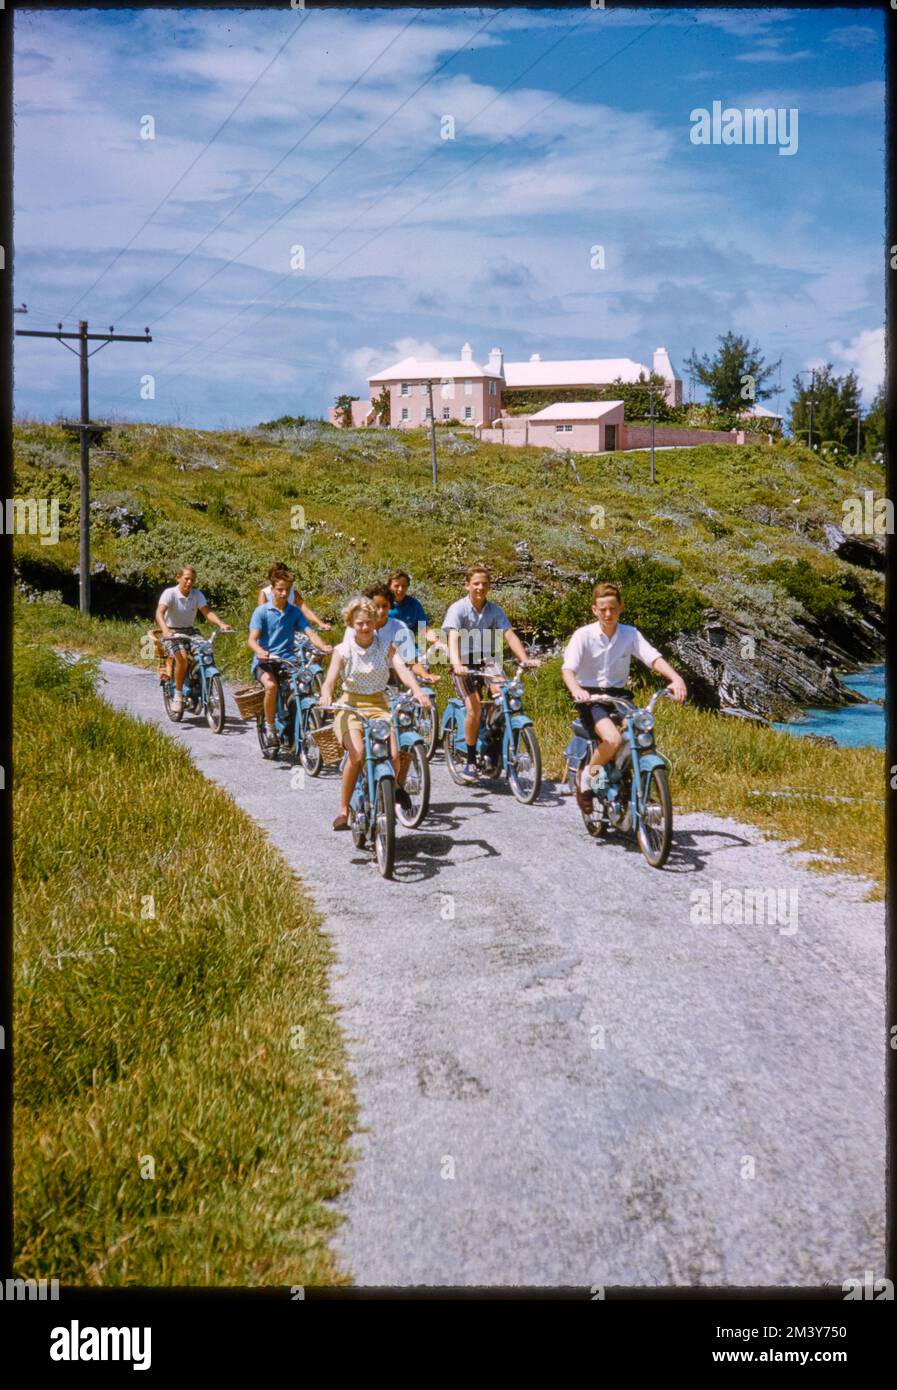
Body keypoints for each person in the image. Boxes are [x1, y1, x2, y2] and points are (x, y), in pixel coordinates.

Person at [561, 581, 687, 814]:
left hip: (619, 696)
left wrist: (676, 678)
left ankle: (633, 783)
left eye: (612, 608)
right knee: (612, 739)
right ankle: (588, 779)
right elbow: (568, 669)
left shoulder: (630, 634)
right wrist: (576, 690)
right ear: (594, 610)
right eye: (602, 609)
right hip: (590, 697)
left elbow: (653, 658)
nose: (608, 614)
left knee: (641, 732)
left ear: (621, 608)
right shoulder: (583, 635)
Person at [320, 595, 428, 831]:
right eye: (360, 623)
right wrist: (326, 695)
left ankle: (393, 789)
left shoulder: (385, 648)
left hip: (379, 706)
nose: (365, 627)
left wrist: (418, 690)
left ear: (376, 622)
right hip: (350, 707)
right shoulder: (343, 650)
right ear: (351, 624)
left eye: (369, 622)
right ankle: (344, 810)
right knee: (357, 754)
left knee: (394, 755)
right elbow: (329, 681)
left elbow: (402, 669)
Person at [442, 563, 539, 784]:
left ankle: (492, 744)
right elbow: (453, 637)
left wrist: (525, 660)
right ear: (467, 585)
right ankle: (470, 761)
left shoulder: (494, 610)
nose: (480, 587)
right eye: (476, 583)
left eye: (485, 583)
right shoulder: (458, 609)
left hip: (486, 660)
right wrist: (457, 664)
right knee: (473, 706)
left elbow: (510, 635)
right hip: (464, 662)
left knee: (506, 696)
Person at [248, 571, 332, 747]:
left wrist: (322, 646)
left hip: (288, 661)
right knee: (271, 686)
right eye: (280, 589)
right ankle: (270, 727)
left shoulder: (294, 612)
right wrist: (259, 651)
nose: (284, 593)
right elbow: (252, 639)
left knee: (302, 689)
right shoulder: (262, 611)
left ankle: (293, 728)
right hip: (265, 662)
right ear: (272, 590)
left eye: (287, 590)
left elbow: (309, 632)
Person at [155, 566, 233, 713]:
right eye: (186, 578)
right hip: (172, 633)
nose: (189, 582)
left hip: (190, 632)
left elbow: (207, 611)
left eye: (192, 579)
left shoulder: (197, 595)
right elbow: (159, 613)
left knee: (206, 652)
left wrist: (221, 624)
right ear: (178, 578)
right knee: (182, 658)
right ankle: (178, 695)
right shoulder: (170, 593)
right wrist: (165, 629)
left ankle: (202, 686)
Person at [258, 562, 332, 631]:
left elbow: (305, 610)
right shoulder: (265, 593)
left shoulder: (293, 592)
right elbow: (262, 617)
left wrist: (320, 623)